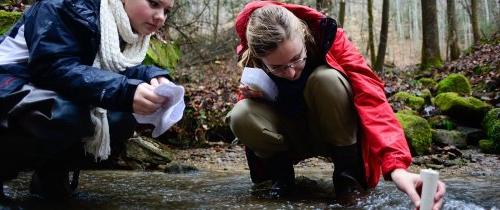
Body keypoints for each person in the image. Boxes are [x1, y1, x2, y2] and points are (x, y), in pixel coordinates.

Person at [226, 1, 446, 209]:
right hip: (289, 137)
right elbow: (253, 125)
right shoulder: (252, 58)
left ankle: (348, 180)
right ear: (259, 58)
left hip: (334, 132)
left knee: (326, 79)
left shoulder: (330, 38)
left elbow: (372, 98)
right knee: (241, 114)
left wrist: (397, 169)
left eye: (297, 58)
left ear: (303, 34)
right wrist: (258, 96)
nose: (291, 72)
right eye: (278, 68)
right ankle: (280, 180)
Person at [0, 0, 174, 200]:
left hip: (35, 86)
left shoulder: (119, 25)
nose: (160, 16)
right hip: (8, 81)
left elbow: (111, 67)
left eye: (166, 11)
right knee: (63, 114)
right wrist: (124, 91)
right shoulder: (64, 5)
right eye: (153, 3)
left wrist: (153, 76)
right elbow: (52, 67)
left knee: (120, 118)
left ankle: (52, 177)